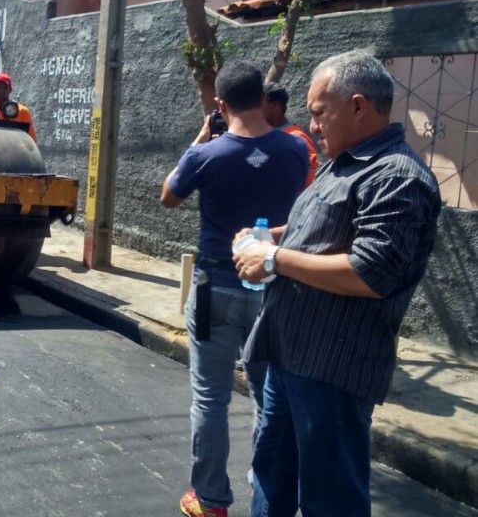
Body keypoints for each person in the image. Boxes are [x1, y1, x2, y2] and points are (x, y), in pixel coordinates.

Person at [235, 50, 441, 517]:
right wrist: (266, 237)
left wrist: (273, 257)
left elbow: (373, 271)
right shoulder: (341, 163)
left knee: (331, 499)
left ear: (358, 106)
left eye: (319, 112)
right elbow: (315, 227)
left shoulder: (398, 176)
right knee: (272, 479)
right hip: (289, 354)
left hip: (332, 368)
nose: (313, 125)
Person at [161, 61, 309, 517]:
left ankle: (210, 500)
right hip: (272, 288)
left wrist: (200, 139)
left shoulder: (207, 155)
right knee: (269, 398)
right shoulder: (296, 151)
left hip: (213, 289)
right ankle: (264, 495)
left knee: (210, 396)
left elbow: (169, 196)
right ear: (265, 98)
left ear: (219, 106)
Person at [262, 81, 319, 186]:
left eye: (259, 104)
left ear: (275, 105)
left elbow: (311, 181)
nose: (255, 110)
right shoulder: (263, 135)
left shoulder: (296, 138)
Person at [0, 72, 36, 142]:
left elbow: (31, 139)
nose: (1, 91)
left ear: (10, 90)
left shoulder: (22, 111)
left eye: (5, 88)